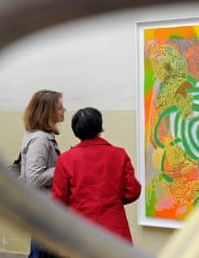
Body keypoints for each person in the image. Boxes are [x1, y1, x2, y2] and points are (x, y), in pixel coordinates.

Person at [52, 107, 141, 244]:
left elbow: (58, 200)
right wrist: (113, 199)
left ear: (76, 130)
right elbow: (132, 191)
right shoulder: (119, 154)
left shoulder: (65, 159)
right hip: (115, 229)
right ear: (100, 127)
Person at [20, 89, 66, 258]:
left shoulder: (40, 135)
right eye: (60, 107)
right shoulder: (40, 138)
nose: (64, 110)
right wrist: (64, 168)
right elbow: (34, 177)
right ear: (48, 111)